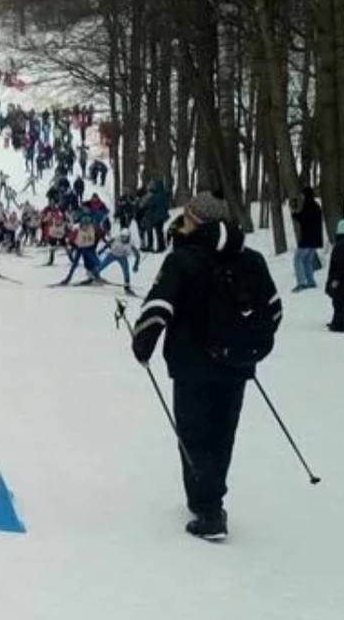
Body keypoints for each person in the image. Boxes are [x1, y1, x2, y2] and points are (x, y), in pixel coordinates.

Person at [130, 192, 282, 541]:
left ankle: (209, 510)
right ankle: (208, 499)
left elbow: (158, 307)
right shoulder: (252, 260)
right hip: (237, 365)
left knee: (194, 435)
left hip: (191, 365)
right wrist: (249, 345)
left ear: (197, 221)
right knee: (221, 435)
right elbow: (273, 310)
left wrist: (142, 345)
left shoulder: (183, 260)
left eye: (186, 218)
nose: (181, 223)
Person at [289, 186, 323, 292]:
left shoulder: (309, 206)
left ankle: (302, 283)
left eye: (303, 195)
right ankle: (311, 282)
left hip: (308, 239)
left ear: (306, 195)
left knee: (298, 259)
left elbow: (303, 219)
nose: (302, 197)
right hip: (315, 239)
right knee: (307, 261)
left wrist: (294, 212)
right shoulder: (316, 206)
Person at [326, 219, 344, 333]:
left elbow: (339, 264)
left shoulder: (341, 246)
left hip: (343, 281)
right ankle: (337, 322)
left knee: (338, 300)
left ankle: (340, 325)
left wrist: (335, 279)